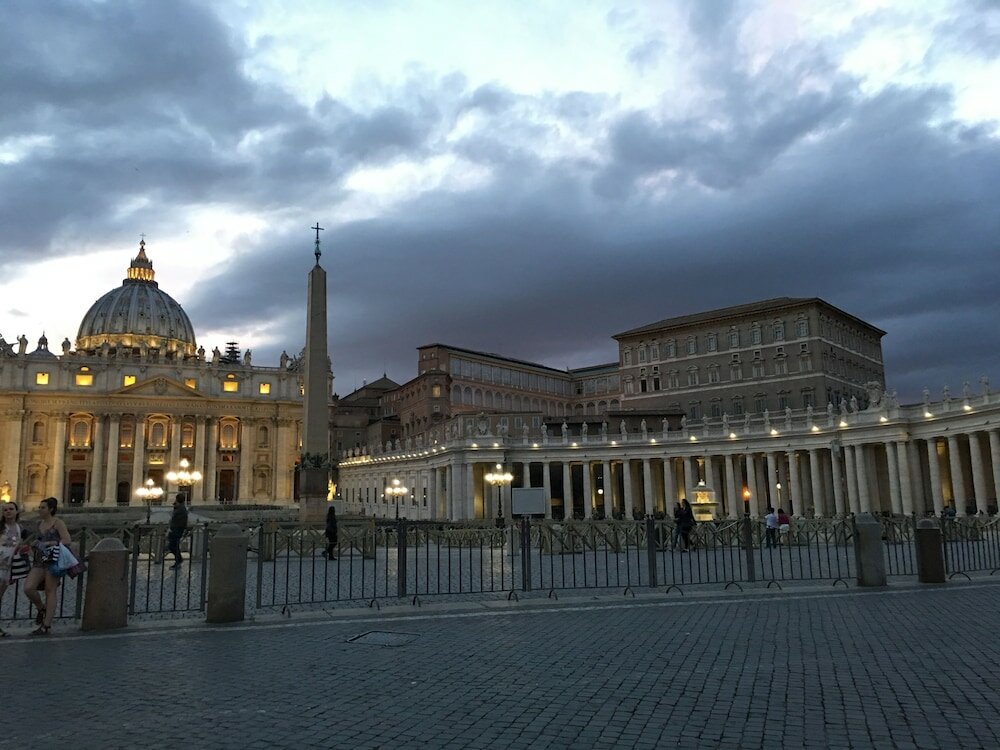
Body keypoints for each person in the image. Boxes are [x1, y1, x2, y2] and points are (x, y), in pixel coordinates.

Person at [23, 497, 71, 636]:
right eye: (39, 507)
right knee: (28, 587)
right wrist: (34, 544)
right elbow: (38, 539)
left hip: (53, 560)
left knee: (50, 591)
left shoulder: (58, 523)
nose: (40, 509)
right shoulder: (39, 523)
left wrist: (50, 543)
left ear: (50, 509)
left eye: (42, 507)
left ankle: (46, 625)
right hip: (39, 560)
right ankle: (42, 608)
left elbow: (67, 540)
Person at [0, 501, 31, 637]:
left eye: (11, 509)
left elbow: (25, 543)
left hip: (8, 567)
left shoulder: (21, 529)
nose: (8, 511)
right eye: (5, 510)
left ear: (17, 511)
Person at [167, 497, 188, 569]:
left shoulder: (181, 509)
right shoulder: (180, 508)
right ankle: (178, 560)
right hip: (176, 529)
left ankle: (179, 559)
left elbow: (176, 519)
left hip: (177, 529)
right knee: (174, 545)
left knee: (172, 546)